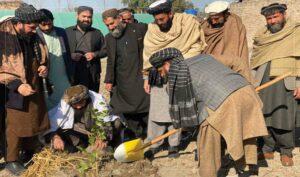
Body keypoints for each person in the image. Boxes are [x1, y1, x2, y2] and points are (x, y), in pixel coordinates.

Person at [149, 47, 268, 177]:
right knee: (246, 131)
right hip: (246, 92)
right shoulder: (204, 57)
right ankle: (245, 168)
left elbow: (188, 113)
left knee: (207, 142)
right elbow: (237, 61)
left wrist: (188, 126)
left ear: (167, 65)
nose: (161, 75)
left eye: (160, 71)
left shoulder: (175, 79)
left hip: (224, 101)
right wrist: (251, 84)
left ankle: (208, 173)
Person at [143, 0, 206, 158]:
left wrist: (175, 63)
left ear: (170, 14)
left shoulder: (187, 24)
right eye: (157, 20)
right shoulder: (152, 30)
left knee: (175, 110)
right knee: (156, 112)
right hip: (158, 73)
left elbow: (197, 46)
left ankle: (174, 145)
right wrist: (146, 77)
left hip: (181, 71)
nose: (159, 22)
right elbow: (147, 54)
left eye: (162, 19)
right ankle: (155, 143)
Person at [0, 3, 50, 175]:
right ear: (19, 22)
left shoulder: (33, 35)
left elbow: (41, 54)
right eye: (31, 26)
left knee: (34, 118)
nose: (34, 30)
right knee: (14, 124)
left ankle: (28, 151)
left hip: (32, 82)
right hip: (9, 87)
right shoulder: (4, 35)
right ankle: (11, 160)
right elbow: (3, 68)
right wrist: (17, 85)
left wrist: (43, 66)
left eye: (36, 27)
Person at [251, 3, 300, 166]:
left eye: (275, 17)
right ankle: (267, 148)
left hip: (286, 80)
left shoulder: (296, 32)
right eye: (269, 18)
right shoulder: (261, 36)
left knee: (283, 117)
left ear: (284, 15)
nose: (272, 21)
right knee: (263, 115)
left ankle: (286, 151)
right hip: (263, 79)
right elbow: (255, 60)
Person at [102, 9, 149, 141]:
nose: (110, 27)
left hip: (140, 75)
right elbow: (110, 60)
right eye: (107, 25)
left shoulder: (139, 29)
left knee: (145, 104)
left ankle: (149, 133)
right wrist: (109, 80)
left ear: (119, 18)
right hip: (122, 79)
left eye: (112, 23)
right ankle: (136, 135)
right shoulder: (109, 38)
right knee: (126, 107)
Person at [46, 85, 119, 152]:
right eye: (74, 105)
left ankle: (112, 143)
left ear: (86, 98)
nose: (78, 107)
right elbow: (54, 122)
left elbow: (105, 118)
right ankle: (80, 146)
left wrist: (102, 137)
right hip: (81, 129)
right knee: (62, 133)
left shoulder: (97, 99)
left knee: (116, 123)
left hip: (97, 128)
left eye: (81, 103)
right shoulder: (65, 102)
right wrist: (55, 137)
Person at [37, 9, 74, 111]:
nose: (47, 27)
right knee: (48, 101)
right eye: (44, 25)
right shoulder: (35, 34)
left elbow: (67, 51)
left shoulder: (61, 32)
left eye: (50, 23)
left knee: (65, 100)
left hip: (62, 73)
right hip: (45, 74)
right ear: (38, 23)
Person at [65, 6, 106, 92]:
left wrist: (94, 54)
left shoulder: (97, 33)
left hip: (92, 73)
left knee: (91, 98)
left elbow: (105, 50)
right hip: (73, 73)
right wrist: (70, 55)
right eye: (84, 16)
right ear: (77, 16)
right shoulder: (67, 32)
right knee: (74, 98)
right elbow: (61, 51)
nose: (86, 19)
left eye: (89, 17)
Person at [201, 1, 249, 66]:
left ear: (225, 15)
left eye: (216, 19)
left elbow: (237, 50)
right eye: (211, 19)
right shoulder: (205, 25)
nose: (213, 22)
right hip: (208, 64)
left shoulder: (235, 25)